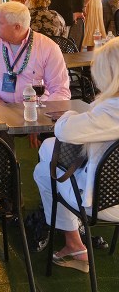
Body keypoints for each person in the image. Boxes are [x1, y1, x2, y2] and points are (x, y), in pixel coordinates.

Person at [33, 39, 119, 274]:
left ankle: (74, 244)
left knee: (44, 169)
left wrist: (68, 113)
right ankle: (73, 239)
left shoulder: (112, 110)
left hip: (109, 203)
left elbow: (65, 130)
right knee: (50, 150)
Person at [0, 2, 70, 147]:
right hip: (0, 111)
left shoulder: (48, 47)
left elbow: (60, 91)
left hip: (40, 112)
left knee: (43, 150)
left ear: (17, 27)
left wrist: (39, 120)